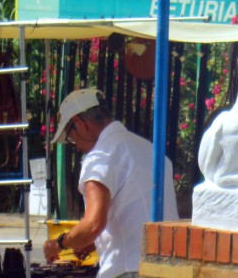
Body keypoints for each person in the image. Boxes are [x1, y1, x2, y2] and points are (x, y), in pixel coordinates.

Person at [42, 88, 179, 278]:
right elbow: (137, 212)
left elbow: (93, 224)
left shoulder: (100, 157)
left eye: (72, 139)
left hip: (131, 268)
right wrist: (90, 243)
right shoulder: (147, 149)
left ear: (79, 123)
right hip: (169, 266)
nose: (78, 147)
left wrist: (60, 244)